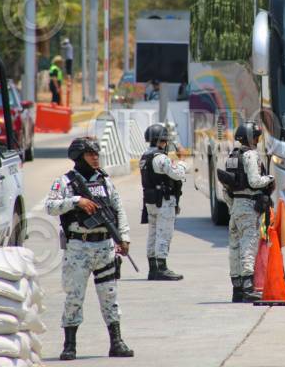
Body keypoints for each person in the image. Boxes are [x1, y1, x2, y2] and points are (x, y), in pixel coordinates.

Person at [45, 137, 134, 360]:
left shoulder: (105, 181)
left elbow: (118, 209)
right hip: (79, 247)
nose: (95, 158)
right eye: (90, 154)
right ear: (78, 157)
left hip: (104, 246)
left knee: (110, 296)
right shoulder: (65, 182)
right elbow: (51, 206)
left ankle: (117, 342)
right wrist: (76, 201)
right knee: (74, 297)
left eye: (96, 154)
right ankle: (69, 345)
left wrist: (124, 238)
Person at [223, 121, 274, 303]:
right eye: (257, 137)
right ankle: (248, 288)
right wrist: (269, 178)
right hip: (248, 206)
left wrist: (233, 207)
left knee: (234, 248)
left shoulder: (232, 156)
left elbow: (226, 188)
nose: (258, 140)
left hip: (236, 207)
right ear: (251, 138)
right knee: (248, 246)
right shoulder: (251, 155)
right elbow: (254, 181)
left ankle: (237, 289)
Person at [140, 123, 187, 281]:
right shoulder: (160, 158)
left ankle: (153, 268)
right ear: (161, 140)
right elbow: (177, 174)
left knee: (153, 234)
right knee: (164, 233)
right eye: (165, 140)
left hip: (151, 201)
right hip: (164, 201)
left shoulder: (145, 156)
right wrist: (182, 161)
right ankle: (162, 268)